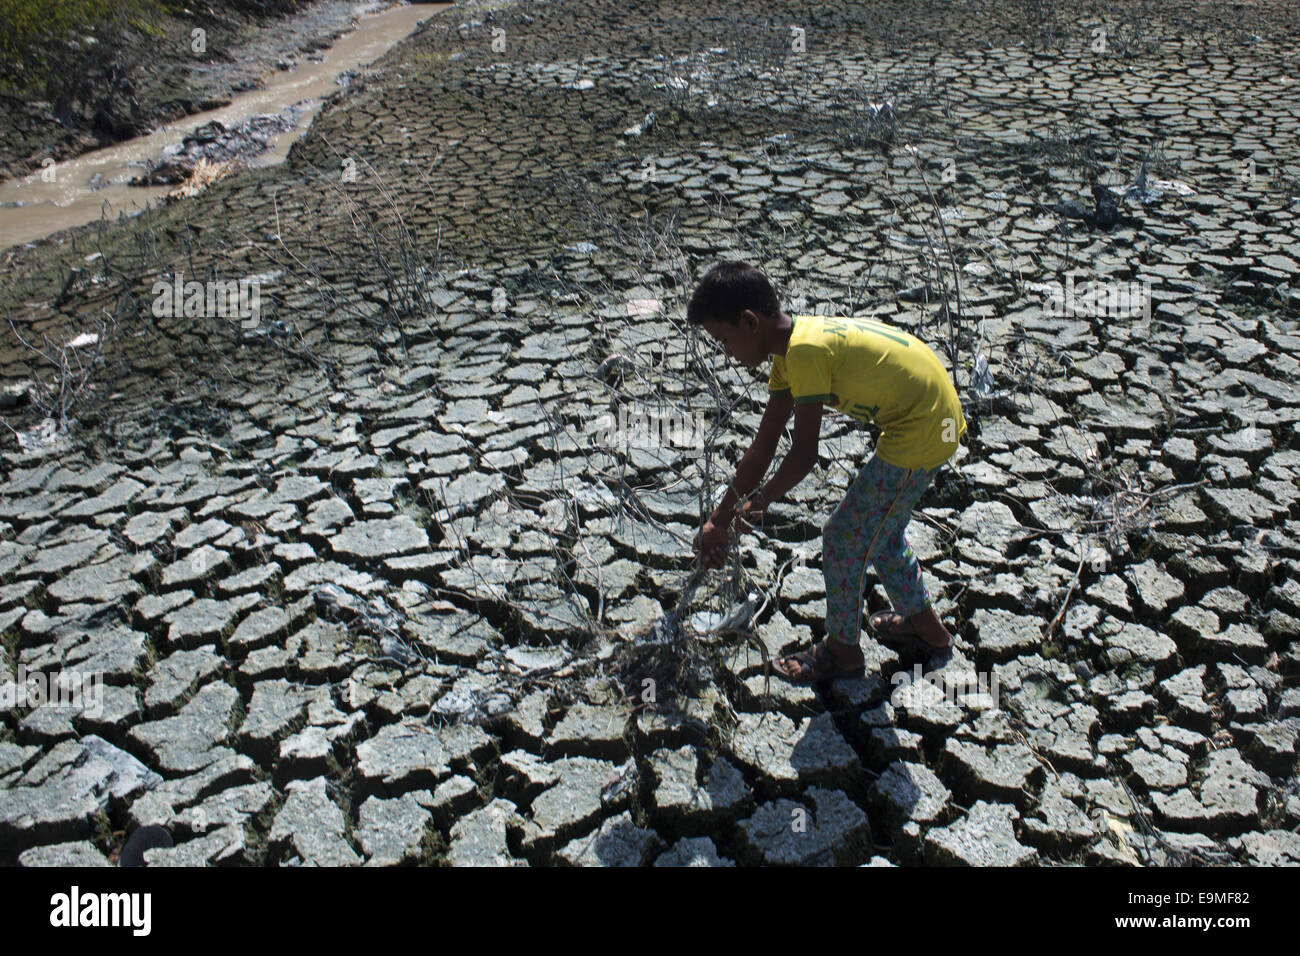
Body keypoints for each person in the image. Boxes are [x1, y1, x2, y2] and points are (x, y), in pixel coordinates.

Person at [688, 261, 966, 682]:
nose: (727, 352)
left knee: (843, 534)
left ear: (749, 321)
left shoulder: (804, 352)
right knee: (883, 535)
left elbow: (803, 455)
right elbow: (763, 448)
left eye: (725, 340)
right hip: (927, 416)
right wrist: (719, 518)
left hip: (924, 425)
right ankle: (929, 633)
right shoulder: (789, 350)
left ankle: (842, 653)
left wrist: (756, 504)